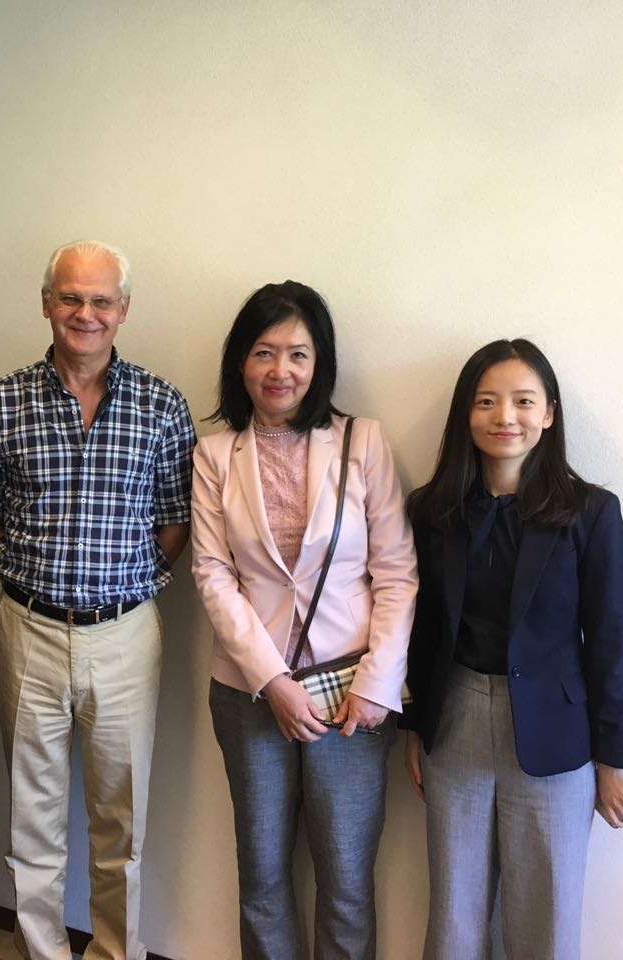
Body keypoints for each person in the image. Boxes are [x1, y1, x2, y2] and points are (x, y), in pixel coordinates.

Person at [0, 240, 195, 960]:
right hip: (27, 629)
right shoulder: (2, 401)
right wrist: (23, 575)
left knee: (121, 822)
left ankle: (115, 953)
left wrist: (133, 583)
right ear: (46, 304)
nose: (84, 313)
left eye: (100, 300)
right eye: (70, 297)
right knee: (31, 822)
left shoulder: (162, 404)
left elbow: (176, 518)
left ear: (123, 309)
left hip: (125, 635)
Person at [190, 280, 417, 960]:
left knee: (346, 878)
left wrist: (378, 683)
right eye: (264, 352)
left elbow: (397, 572)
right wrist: (274, 682)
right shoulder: (214, 455)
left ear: (320, 363)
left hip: (351, 695)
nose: (280, 370)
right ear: (240, 361)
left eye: (297, 354)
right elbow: (213, 575)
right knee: (262, 875)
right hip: (249, 691)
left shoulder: (362, 442)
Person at [402, 338, 623, 960]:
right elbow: (424, 630)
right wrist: (416, 726)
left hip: (556, 733)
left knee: (546, 915)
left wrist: (615, 756)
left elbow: (609, 643)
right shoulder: (433, 511)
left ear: (549, 413)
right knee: (454, 913)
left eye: (523, 401)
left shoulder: (591, 513)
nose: (504, 416)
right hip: (454, 721)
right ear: (466, 412)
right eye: (486, 401)